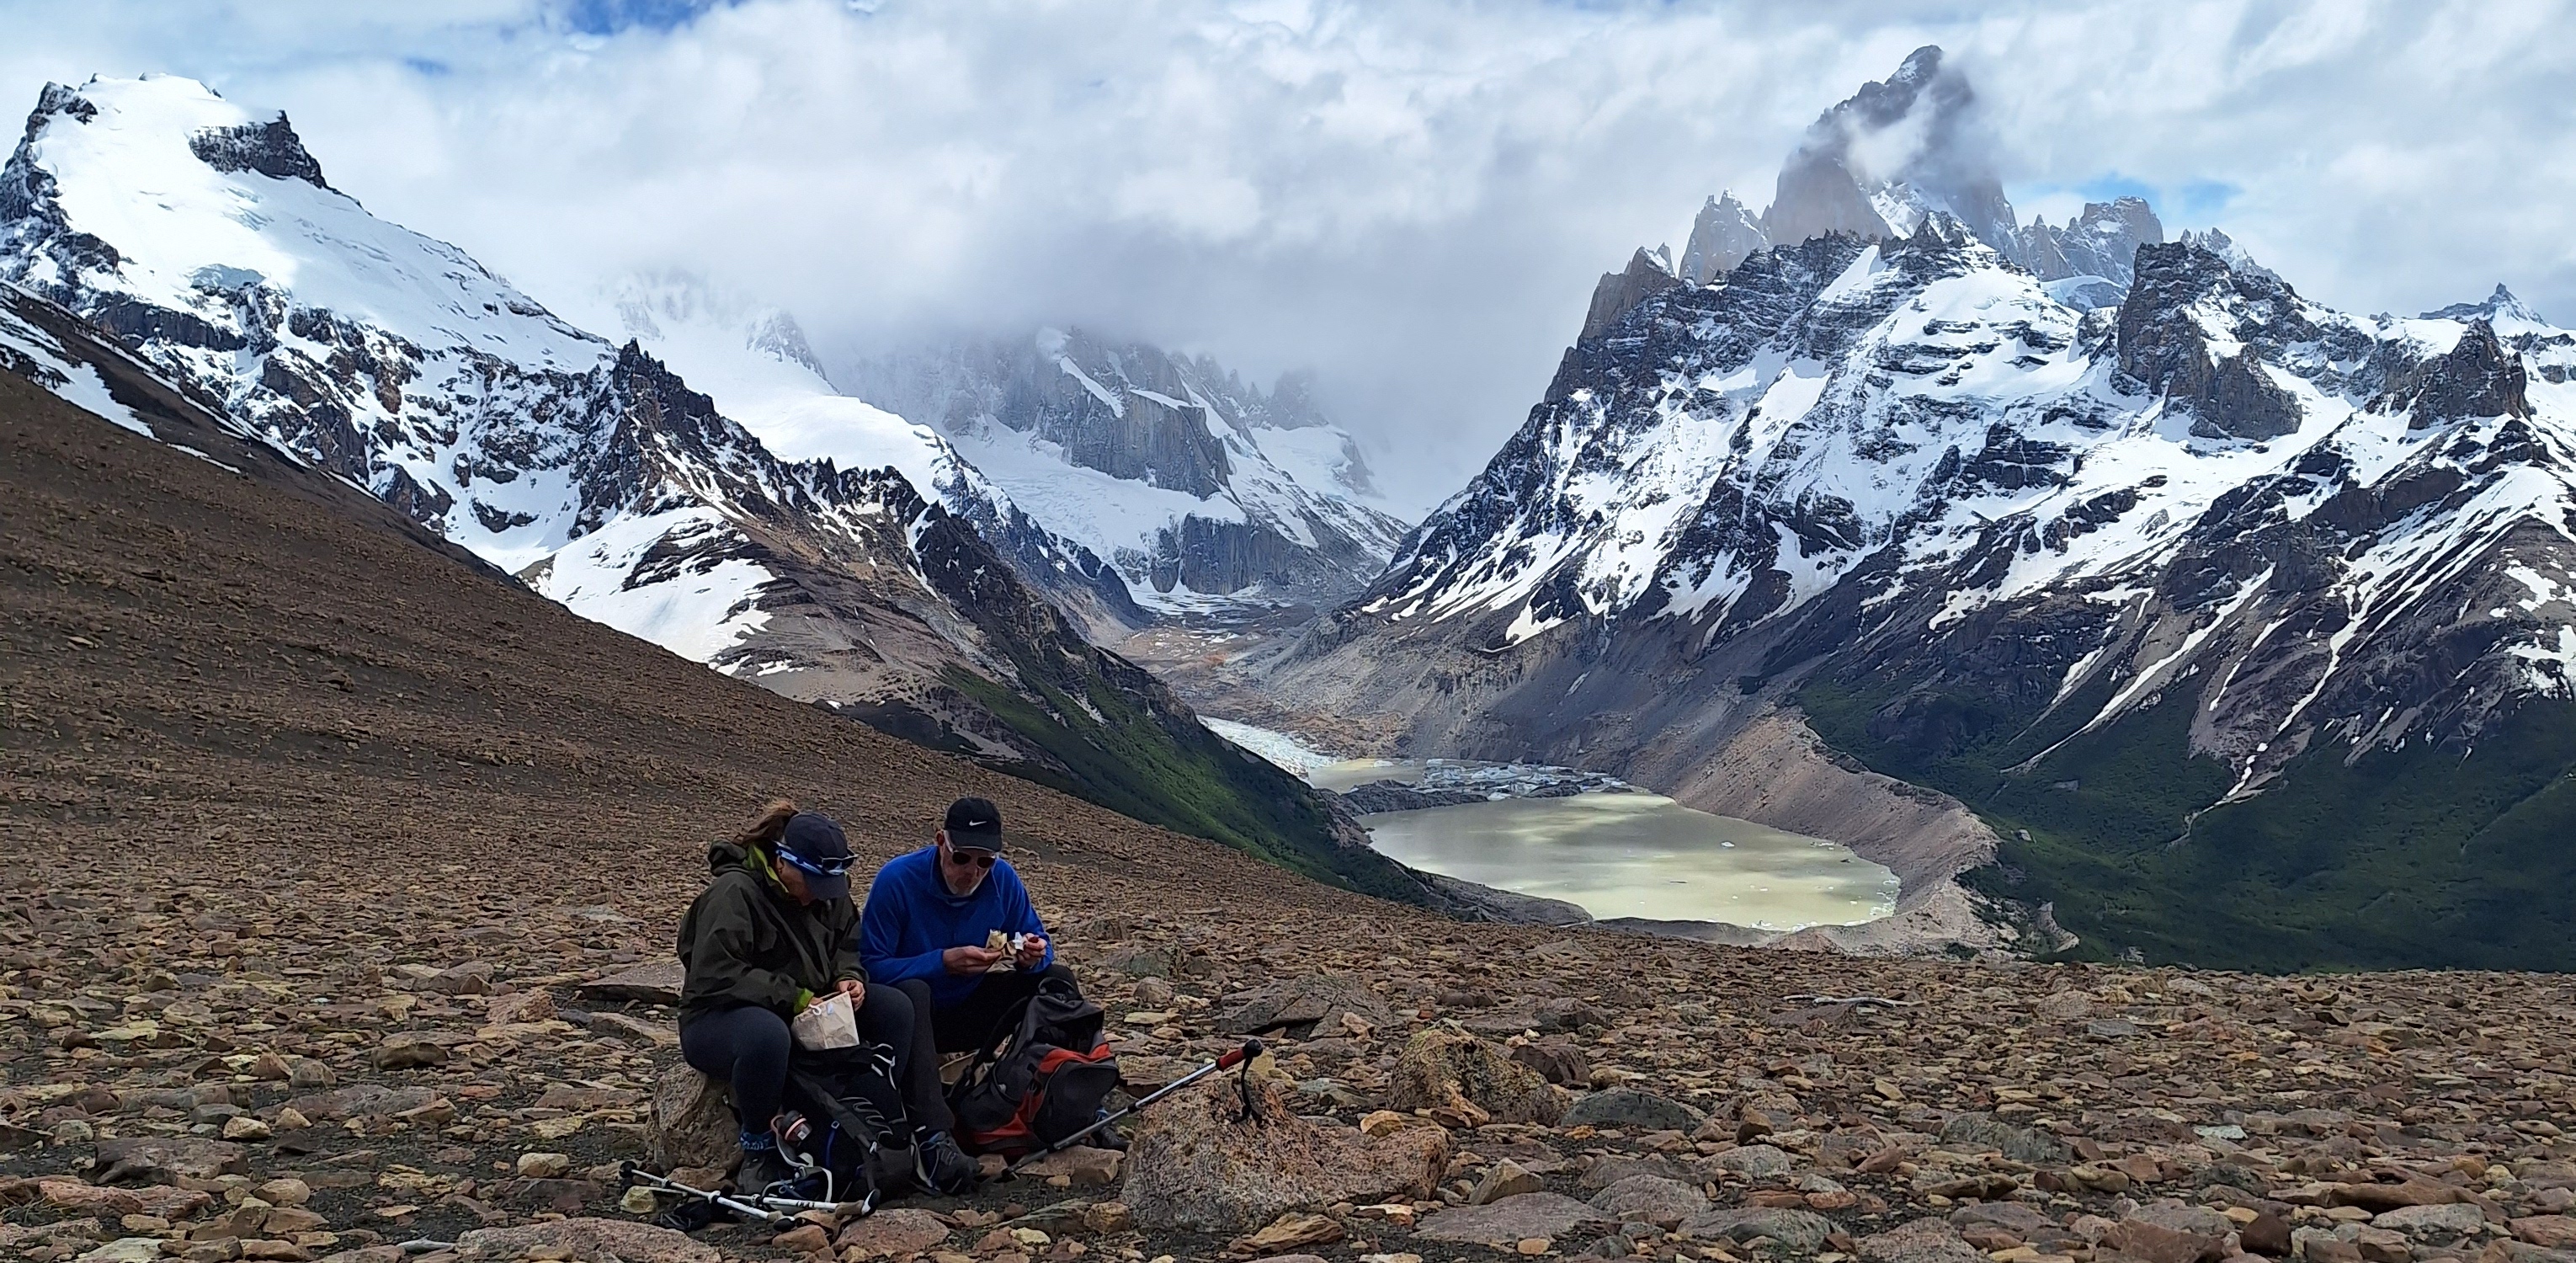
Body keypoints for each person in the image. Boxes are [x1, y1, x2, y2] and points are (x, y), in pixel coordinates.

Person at [675, 801, 931, 1193]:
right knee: (766, 1037)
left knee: (896, 1006)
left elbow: (848, 941)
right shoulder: (734, 893)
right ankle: (758, 1147)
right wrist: (794, 998)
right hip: (720, 1018)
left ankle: (873, 1120)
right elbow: (716, 972)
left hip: (809, 1009)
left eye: (828, 885)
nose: (818, 895)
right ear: (782, 862)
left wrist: (849, 977)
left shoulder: (826, 889)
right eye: (811, 883)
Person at [860, 797, 1107, 1166]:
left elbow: (1037, 938)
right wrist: (941, 963)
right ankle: (934, 1134)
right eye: (962, 858)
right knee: (914, 992)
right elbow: (870, 967)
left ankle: (1074, 1099)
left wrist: (1034, 958)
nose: (973, 872)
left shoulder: (1002, 880)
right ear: (940, 841)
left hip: (968, 1006)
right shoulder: (898, 880)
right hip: (909, 1021)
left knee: (1055, 980)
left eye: (985, 862)